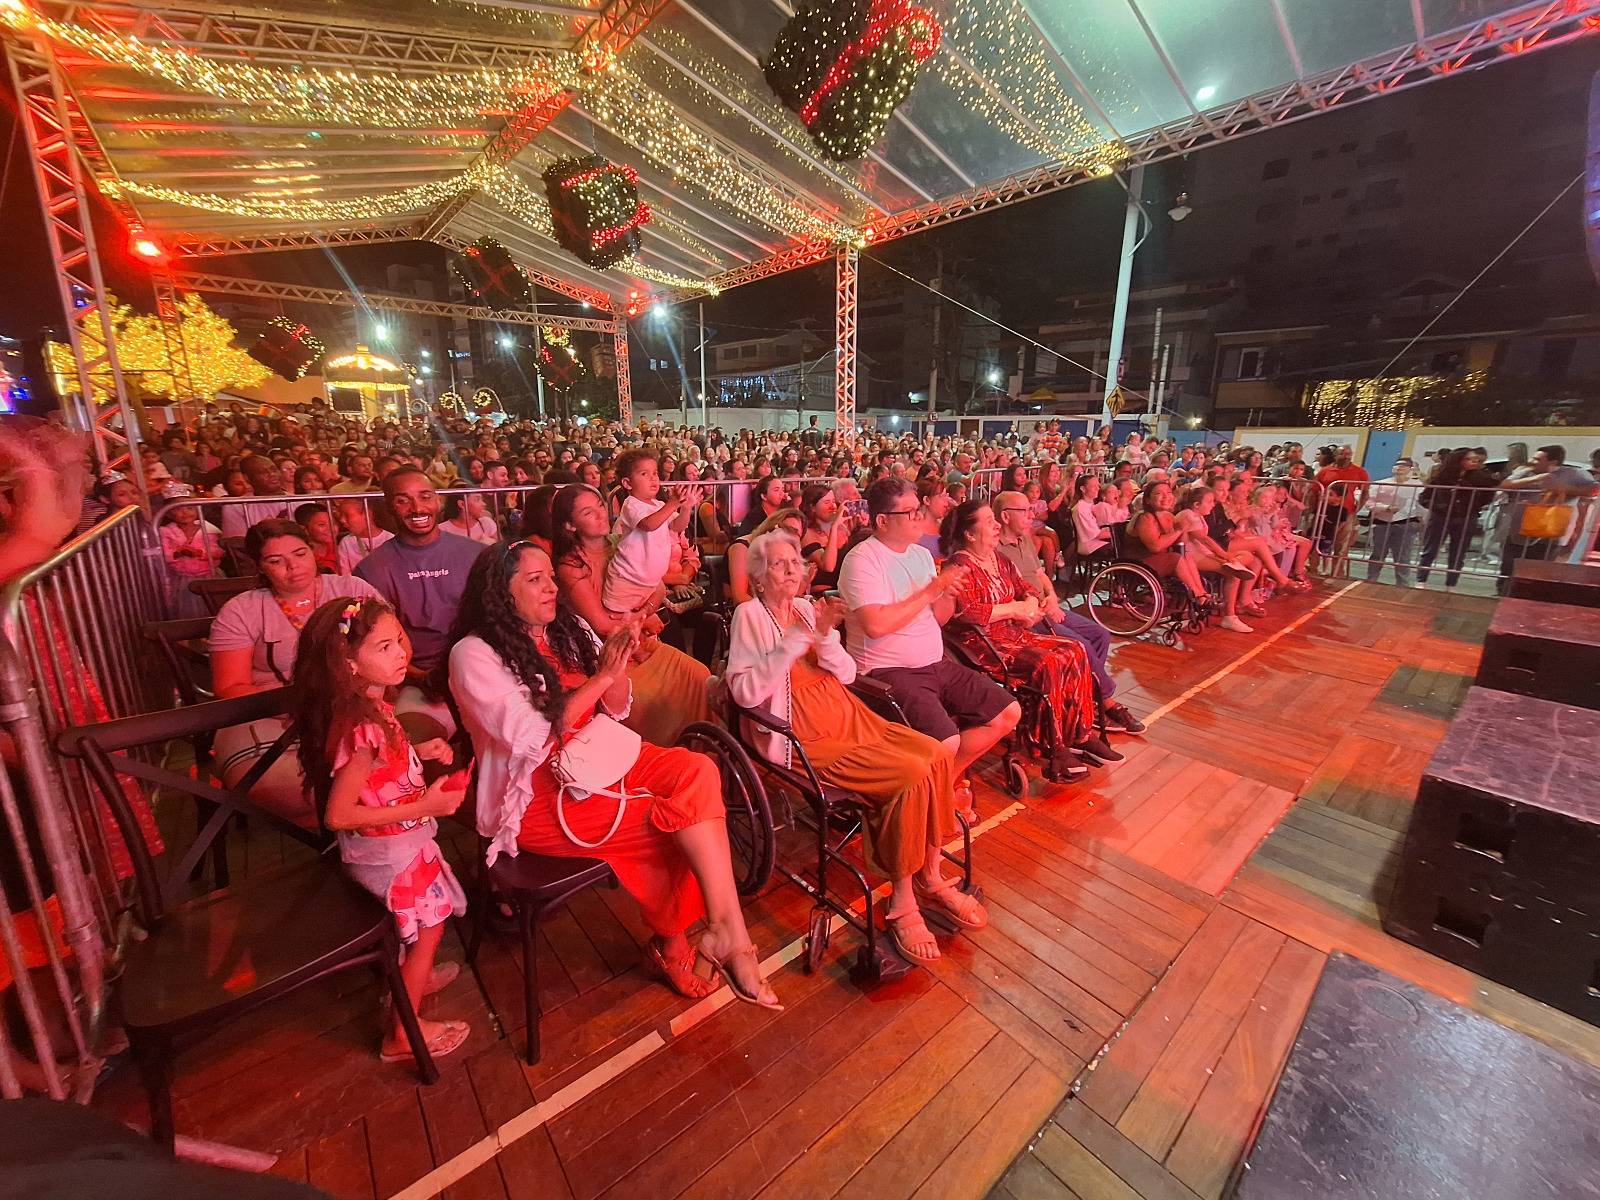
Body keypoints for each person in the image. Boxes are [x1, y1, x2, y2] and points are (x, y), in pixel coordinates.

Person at [448, 542, 779, 1008]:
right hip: (537, 795)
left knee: (697, 771)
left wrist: (619, 659)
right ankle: (677, 944)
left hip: (601, 756)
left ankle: (726, 929)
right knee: (674, 822)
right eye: (535, 579)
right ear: (501, 593)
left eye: (550, 575)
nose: (552, 586)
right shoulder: (473, 653)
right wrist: (601, 676)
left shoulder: (567, 628)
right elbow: (530, 737)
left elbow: (616, 707)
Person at [727, 531, 983, 963]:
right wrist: (795, 641)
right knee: (910, 773)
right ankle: (903, 900)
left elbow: (845, 674)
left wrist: (825, 635)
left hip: (846, 713)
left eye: (796, 562)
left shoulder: (810, 610)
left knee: (937, 753)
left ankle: (932, 876)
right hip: (804, 733)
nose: (792, 570)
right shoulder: (748, 616)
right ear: (757, 579)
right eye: (778, 564)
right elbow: (745, 694)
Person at [290, 596, 471, 1064]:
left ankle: (414, 977)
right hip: (390, 853)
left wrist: (418, 750)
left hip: (394, 846)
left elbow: (375, 767)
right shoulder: (361, 726)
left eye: (400, 641)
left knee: (421, 932)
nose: (401, 654)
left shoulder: (370, 709)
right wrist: (428, 802)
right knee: (430, 930)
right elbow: (338, 815)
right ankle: (402, 1034)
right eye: (385, 647)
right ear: (348, 662)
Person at [836, 478, 1020, 821]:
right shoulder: (863, 560)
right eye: (910, 512)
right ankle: (937, 799)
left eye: (919, 509)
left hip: (934, 662)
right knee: (947, 742)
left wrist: (948, 596)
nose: (920, 517)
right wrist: (933, 587)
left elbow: (936, 619)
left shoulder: (921, 555)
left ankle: (941, 784)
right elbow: (876, 626)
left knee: (1007, 713)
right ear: (882, 520)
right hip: (885, 673)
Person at [208, 520, 383, 827]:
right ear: (261, 567)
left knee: (382, 769)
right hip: (269, 711)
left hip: (351, 707)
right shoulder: (242, 610)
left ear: (314, 552)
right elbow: (230, 687)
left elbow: (393, 645)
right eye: (276, 561)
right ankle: (344, 830)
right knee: (294, 790)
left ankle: (345, 830)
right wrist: (302, 704)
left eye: (300, 553)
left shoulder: (351, 591)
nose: (293, 566)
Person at [941, 501, 1114, 777]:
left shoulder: (1000, 559)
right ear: (970, 534)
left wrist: (1032, 603)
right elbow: (965, 611)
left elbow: (1027, 588)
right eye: (988, 521)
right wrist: (1014, 609)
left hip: (1014, 633)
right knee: (1047, 663)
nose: (997, 525)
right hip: (983, 644)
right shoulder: (960, 565)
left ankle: (1079, 733)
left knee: (1076, 650)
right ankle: (1053, 746)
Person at [551, 483, 713, 747]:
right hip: (607, 653)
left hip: (639, 638)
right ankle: (666, 757)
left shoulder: (619, 542)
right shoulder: (571, 565)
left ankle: (701, 749)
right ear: (570, 525)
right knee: (653, 701)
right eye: (588, 513)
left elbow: (658, 587)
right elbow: (602, 624)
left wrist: (645, 612)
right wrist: (643, 617)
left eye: (600, 507)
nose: (601, 515)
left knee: (699, 674)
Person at [992, 491, 1143, 734]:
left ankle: (1086, 697)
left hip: (1047, 604)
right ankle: (1106, 702)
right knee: (1079, 644)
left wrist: (1051, 596)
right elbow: (1010, 594)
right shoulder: (995, 548)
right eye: (1024, 511)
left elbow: (1040, 574)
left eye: (1031, 510)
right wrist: (1043, 605)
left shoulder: (1026, 539)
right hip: (1030, 614)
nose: (1031, 515)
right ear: (1005, 516)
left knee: (1100, 635)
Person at [353, 468, 485, 743]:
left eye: (424, 497)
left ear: (438, 501)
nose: (417, 508)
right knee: (417, 740)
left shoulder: (475, 553)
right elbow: (376, 647)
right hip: (415, 680)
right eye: (403, 500)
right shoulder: (371, 570)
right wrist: (419, 678)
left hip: (480, 667)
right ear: (388, 507)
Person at [1129, 483, 1255, 634]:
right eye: (1159, 494)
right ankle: (1199, 595)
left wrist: (1182, 531)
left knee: (1185, 555)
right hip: (1141, 563)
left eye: (1168, 493)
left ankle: (1201, 594)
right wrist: (1180, 530)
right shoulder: (1145, 518)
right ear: (1148, 499)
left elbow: (1180, 542)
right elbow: (1155, 546)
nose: (1166, 497)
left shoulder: (1169, 516)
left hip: (1164, 558)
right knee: (1178, 557)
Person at [603, 450, 702, 621]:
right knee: (618, 621)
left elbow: (677, 526)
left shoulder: (659, 505)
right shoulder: (631, 505)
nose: (653, 478)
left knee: (642, 624)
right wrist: (672, 504)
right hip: (627, 580)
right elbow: (648, 524)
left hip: (649, 582)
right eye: (644, 474)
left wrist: (686, 508)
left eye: (655, 473)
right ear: (627, 483)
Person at [1495, 444, 1599, 592]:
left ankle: (1530, 594)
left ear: (1553, 463)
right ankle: (1503, 591)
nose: (1532, 461)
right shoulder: (1525, 472)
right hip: (1517, 527)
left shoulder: (1573, 474)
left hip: (1548, 529)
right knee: (1509, 562)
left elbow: (1593, 489)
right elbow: (1505, 485)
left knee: (1540, 564)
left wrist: (1565, 489)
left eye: (1537, 459)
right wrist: (1535, 479)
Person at [1416, 449, 1496, 588]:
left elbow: (1487, 497)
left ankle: (1451, 584)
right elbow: (1425, 497)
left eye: (1476, 459)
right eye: (1470, 459)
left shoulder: (1481, 477)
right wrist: (1436, 506)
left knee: (1458, 553)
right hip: (1441, 517)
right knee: (1431, 550)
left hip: (1466, 518)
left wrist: (1471, 497)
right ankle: (1421, 580)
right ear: (1459, 460)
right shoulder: (1442, 475)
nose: (1474, 461)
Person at [1364, 457, 1425, 587]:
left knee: (1403, 556)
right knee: (1377, 554)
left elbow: (1421, 506)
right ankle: (1371, 580)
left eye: (1405, 465)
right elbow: (1369, 503)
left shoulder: (1417, 485)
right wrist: (1385, 508)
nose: (1400, 467)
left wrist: (1424, 522)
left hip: (1406, 523)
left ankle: (1402, 584)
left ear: (1411, 469)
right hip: (1382, 522)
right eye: (1398, 465)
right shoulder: (1380, 483)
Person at [1313, 444, 1370, 569]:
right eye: (1342, 454)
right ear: (1335, 455)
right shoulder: (1325, 471)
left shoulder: (1359, 472)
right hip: (1325, 512)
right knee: (1318, 541)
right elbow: (1315, 489)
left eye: (1348, 454)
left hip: (1346, 513)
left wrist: (1355, 511)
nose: (1345, 457)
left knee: (1341, 545)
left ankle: (1337, 572)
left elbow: (1365, 493)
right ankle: (1313, 568)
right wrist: (1313, 510)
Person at [334, 496, 394, 575]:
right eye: (341, 515)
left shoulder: (390, 539)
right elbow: (344, 575)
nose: (342, 520)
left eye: (347, 515)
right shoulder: (346, 542)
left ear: (366, 514)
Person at [294, 502, 340, 573]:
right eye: (322, 525)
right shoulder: (301, 556)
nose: (331, 528)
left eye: (333, 523)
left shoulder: (340, 549)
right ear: (304, 530)